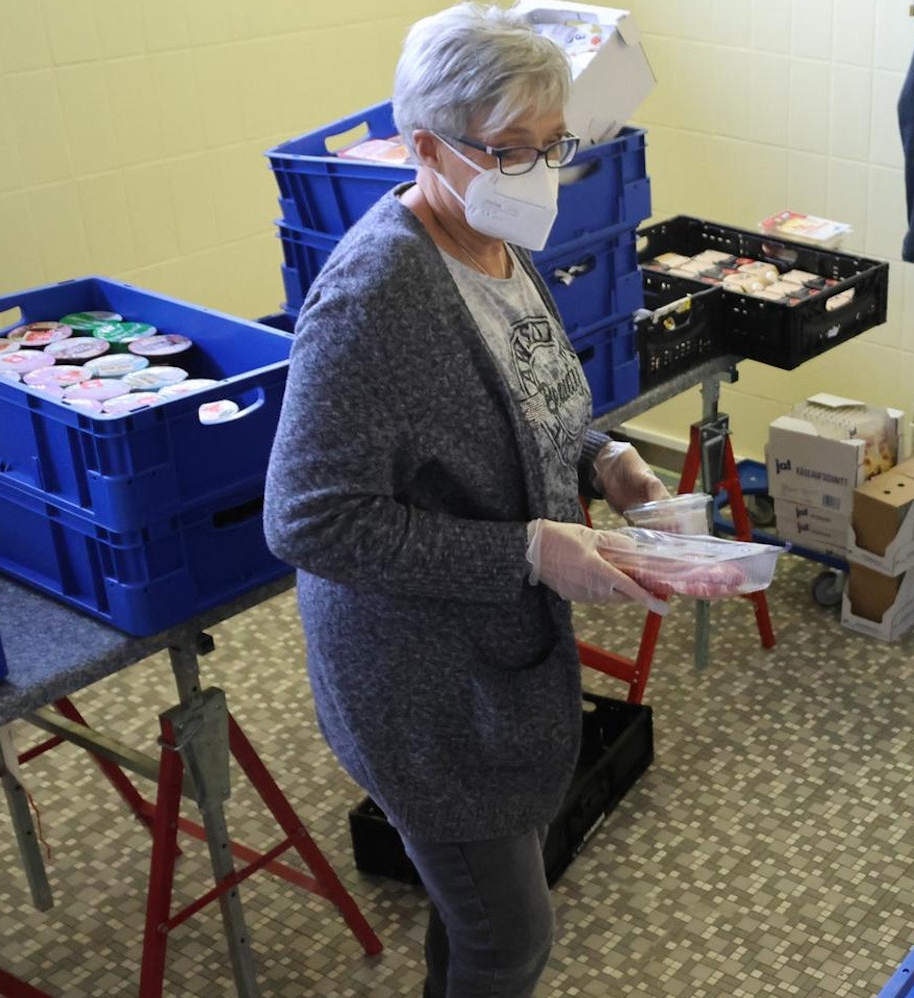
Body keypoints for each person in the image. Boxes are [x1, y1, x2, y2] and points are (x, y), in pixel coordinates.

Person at [263, 6, 671, 996]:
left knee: (479, 909)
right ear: (421, 144)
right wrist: (527, 550)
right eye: (507, 150)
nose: (534, 174)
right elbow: (308, 517)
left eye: (549, 148)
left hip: (504, 657)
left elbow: (520, 394)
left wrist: (605, 456)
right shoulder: (377, 294)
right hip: (418, 678)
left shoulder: (495, 241)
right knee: (507, 933)